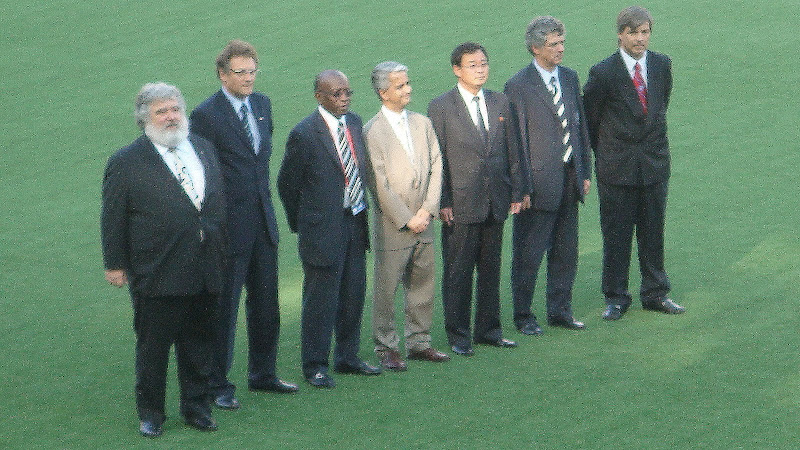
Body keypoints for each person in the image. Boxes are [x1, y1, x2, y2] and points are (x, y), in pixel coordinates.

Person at [101, 82, 226, 437]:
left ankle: (197, 408)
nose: (171, 117)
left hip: (205, 265)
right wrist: (114, 264)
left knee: (199, 343)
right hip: (157, 270)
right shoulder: (126, 161)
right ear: (144, 119)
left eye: (175, 109)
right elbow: (113, 217)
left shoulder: (203, 147)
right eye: (161, 111)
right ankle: (151, 413)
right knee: (153, 348)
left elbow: (214, 203)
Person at [190, 40, 296, 411]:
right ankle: (217, 384)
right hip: (228, 229)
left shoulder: (262, 105)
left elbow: (259, 162)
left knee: (266, 304)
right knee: (224, 309)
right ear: (222, 74)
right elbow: (202, 172)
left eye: (252, 71)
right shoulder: (205, 115)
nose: (249, 78)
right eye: (240, 72)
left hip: (263, 223)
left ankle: (263, 374)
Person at [278, 70, 381, 388]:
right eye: (336, 93)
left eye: (347, 92)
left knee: (353, 293)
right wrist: (305, 224)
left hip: (355, 222)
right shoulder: (304, 133)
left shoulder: (354, 123)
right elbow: (287, 185)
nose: (344, 98)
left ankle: (347, 357)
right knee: (321, 299)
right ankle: (315, 365)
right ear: (319, 97)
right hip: (322, 230)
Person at [583, 6, 684, 320]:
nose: (640, 39)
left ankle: (656, 293)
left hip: (654, 166)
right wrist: (609, 155)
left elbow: (659, 107)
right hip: (617, 169)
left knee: (653, 232)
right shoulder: (603, 72)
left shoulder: (662, 64)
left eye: (645, 32)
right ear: (620, 34)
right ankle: (616, 297)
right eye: (633, 33)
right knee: (617, 235)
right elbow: (590, 120)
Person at [428, 43, 524, 356]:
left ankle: (489, 331)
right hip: (460, 204)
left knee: (490, 269)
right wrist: (443, 201)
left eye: (483, 63)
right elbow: (437, 158)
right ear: (457, 70)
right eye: (473, 65)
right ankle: (458, 335)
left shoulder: (500, 101)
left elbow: (513, 149)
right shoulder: (441, 107)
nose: (480, 69)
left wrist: (517, 191)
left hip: (495, 200)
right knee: (458, 272)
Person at [504, 16, 592, 336]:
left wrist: (584, 171)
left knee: (565, 251)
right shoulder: (518, 85)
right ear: (535, 48)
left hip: (569, 179)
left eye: (562, 42)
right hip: (537, 186)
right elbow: (515, 141)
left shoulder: (569, 77)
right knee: (528, 254)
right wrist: (521, 188)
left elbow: (579, 127)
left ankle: (560, 311)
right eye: (554, 44)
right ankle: (523, 315)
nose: (560, 49)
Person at [363, 61, 449, 372]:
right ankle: (386, 347)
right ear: (383, 92)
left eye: (407, 83)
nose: (408, 89)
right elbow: (378, 183)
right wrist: (407, 218)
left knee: (423, 284)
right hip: (394, 226)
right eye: (400, 86)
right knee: (387, 289)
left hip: (424, 220)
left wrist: (428, 208)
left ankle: (419, 342)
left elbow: (437, 165)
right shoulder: (372, 132)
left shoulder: (422, 123)